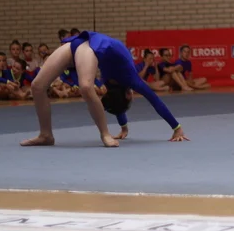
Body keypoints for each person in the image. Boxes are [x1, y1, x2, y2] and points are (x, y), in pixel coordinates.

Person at [21, 30, 188, 147]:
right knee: (37, 86)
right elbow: (154, 100)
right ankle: (46, 135)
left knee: (86, 87)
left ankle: (104, 134)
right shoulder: (132, 78)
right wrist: (177, 128)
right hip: (86, 45)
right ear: (128, 94)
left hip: (84, 48)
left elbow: (117, 103)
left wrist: (124, 127)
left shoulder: (113, 86)